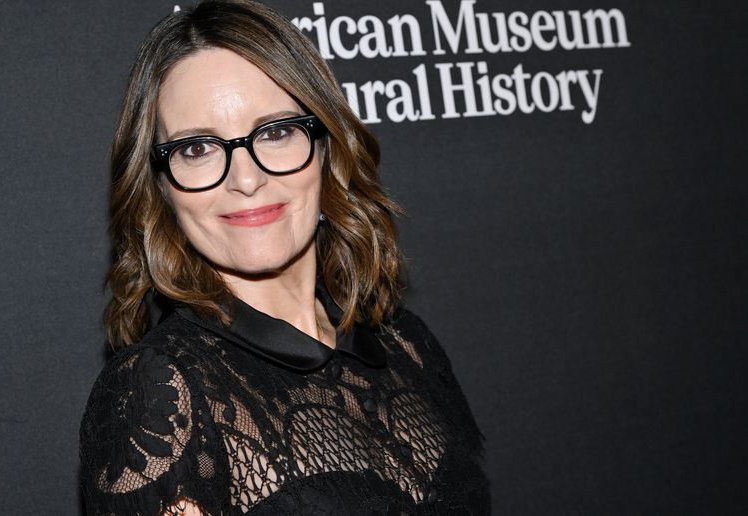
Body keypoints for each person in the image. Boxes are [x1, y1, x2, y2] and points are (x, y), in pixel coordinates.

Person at [79, 1, 489, 514]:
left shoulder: (408, 345)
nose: (246, 179)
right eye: (198, 148)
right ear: (161, 186)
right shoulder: (161, 396)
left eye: (275, 132)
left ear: (325, 148)